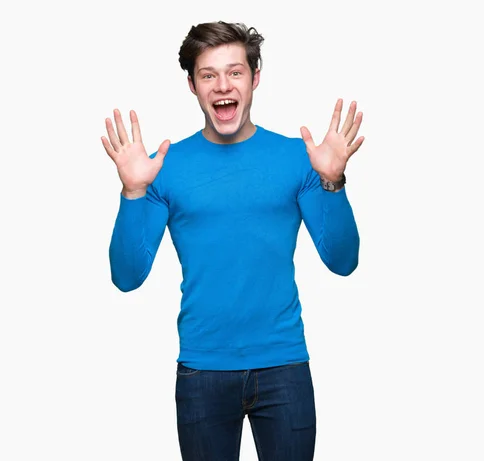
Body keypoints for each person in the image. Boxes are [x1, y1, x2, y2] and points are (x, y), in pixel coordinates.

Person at [101, 21, 364, 461]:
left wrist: (332, 182)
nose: (223, 85)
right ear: (192, 85)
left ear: (255, 77)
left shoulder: (298, 159)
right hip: (203, 371)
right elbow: (127, 278)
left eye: (235, 72)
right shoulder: (163, 168)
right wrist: (133, 194)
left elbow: (344, 261)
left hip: (284, 367)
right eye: (209, 74)